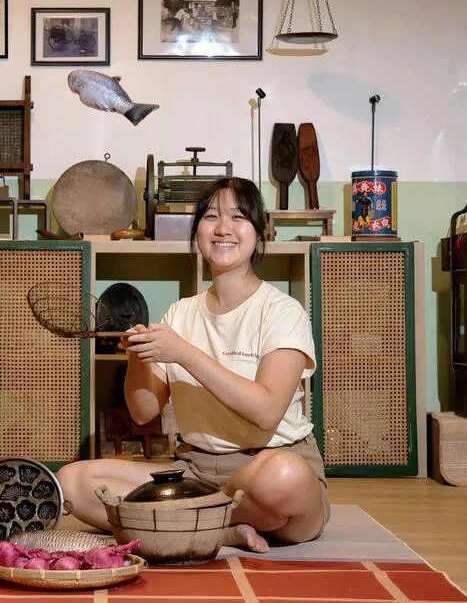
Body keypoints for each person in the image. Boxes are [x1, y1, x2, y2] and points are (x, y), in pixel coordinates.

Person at [56, 177, 329, 552]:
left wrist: (184, 353)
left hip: (270, 465)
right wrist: (137, 356)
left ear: (260, 232)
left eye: (238, 217)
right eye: (211, 216)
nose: (223, 228)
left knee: (283, 478)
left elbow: (266, 412)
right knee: (72, 482)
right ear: (197, 230)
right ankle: (222, 529)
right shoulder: (179, 314)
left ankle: (183, 523)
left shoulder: (282, 311)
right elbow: (144, 411)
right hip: (195, 472)